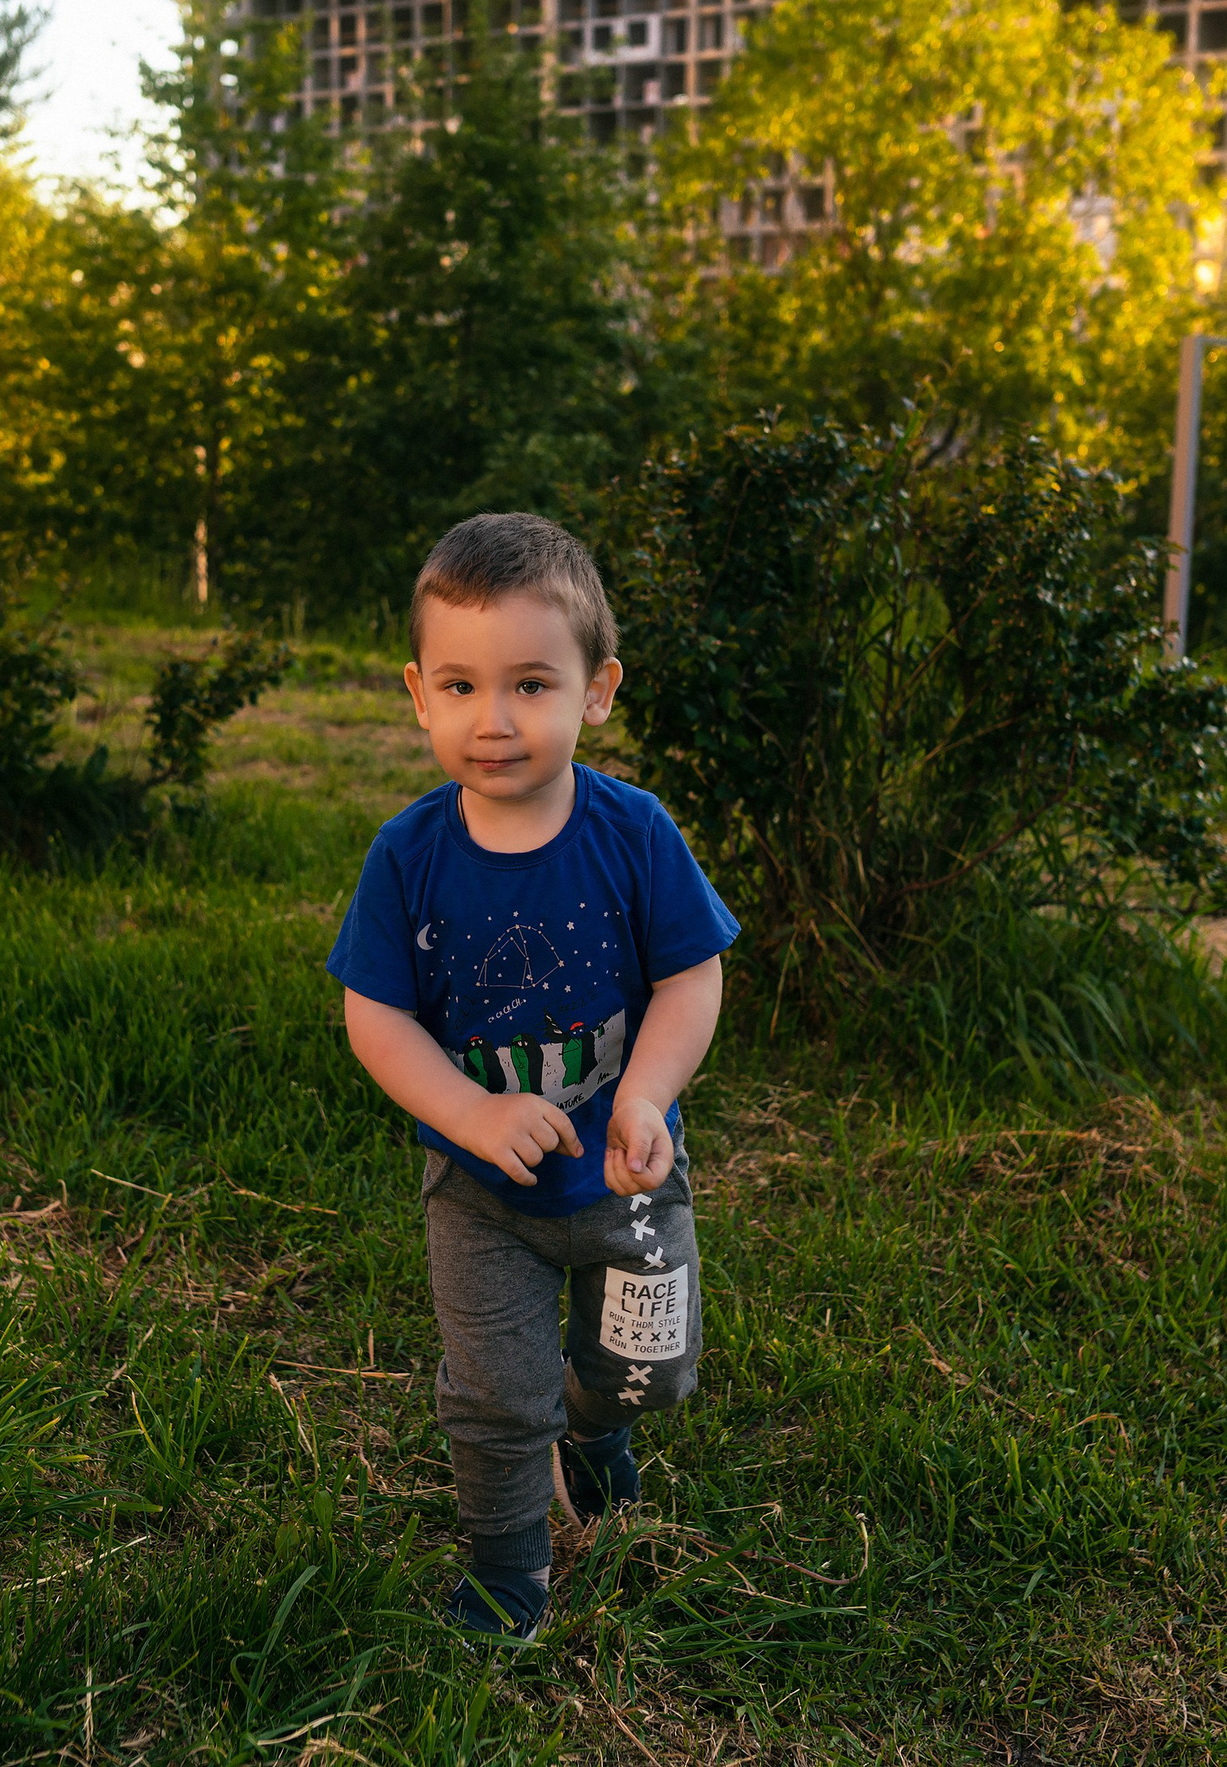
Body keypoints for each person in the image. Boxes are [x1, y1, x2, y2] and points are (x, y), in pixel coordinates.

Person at [327, 512, 737, 1641]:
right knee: (493, 1396)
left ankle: (594, 1425)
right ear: (418, 693)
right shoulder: (407, 857)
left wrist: (646, 1094)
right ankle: (507, 1572)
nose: (492, 721)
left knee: (653, 1373)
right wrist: (464, 1109)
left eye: (530, 685)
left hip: (627, 1175)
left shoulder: (633, 833)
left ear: (595, 691)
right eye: (459, 686)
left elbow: (691, 980)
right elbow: (377, 1015)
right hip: (479, 1194)